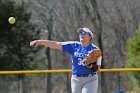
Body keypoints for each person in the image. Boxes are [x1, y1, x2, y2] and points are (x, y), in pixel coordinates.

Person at [30, 27, 102, 93]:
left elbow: (97, 69)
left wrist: (88, 64)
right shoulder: (74, 45)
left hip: (90, 79)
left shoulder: (95, 50)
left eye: (83, 33)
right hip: (76, 79)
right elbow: (56, 44)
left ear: (90, 36)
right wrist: (39, 42)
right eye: (80, 33)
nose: (81, 34)